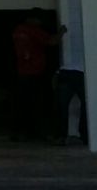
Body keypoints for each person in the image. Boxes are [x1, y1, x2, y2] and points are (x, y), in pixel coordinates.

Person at [11, 8, 66, 140]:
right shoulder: (33, 30)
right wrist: (62, 32)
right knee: (36, 104)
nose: (40, 22)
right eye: (39, 19)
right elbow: (52, 41)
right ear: (33, 19)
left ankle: (20, 132)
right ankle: (33, 132)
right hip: (34, 73)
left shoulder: (18, 30)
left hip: (22, 72)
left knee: (22, 103)